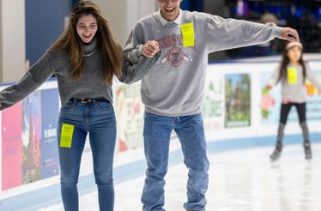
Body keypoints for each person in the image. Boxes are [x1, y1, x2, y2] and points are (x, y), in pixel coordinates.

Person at [124, 0, 299, 210]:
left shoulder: (200, 24)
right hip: (157, 113)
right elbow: (125, 60)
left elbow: (235, 29)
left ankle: (196, 207)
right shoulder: (144, 27)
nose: (169, 3)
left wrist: (274, 31)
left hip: (190, 114)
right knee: (156, 171)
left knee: (199, 168)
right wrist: (142, 50)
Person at [0, 1, 159, 211]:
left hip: (103, 118)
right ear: (74, 27)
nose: (87, 31)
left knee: (104, 177)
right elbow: (30, 81)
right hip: (70, 119)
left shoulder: (109, 49)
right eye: (82, 26)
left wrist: (150, 57)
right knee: (67, 179)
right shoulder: (59, 54)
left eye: (92, 26)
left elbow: (128, 76)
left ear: (99, 26)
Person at [265, 41, 321, 162]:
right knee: (282, 123)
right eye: (293, 51)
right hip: (287, 99)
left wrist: (319, 87)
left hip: (300, 98)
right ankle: (278, 146)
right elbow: (275, 76)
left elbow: (312, 77)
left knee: (303, 122)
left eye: (298, 51)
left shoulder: (304, 65)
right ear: (287, 53)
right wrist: (270, 84)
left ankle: (307, 145)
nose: (296, 54)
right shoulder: (283, 65)